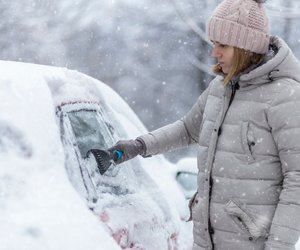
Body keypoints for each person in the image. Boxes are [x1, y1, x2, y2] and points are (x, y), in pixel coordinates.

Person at [108, 0, 300, 249]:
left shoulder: (285, 96)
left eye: (223, 45)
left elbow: (297, 179)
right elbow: (188, 129)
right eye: (213, 44)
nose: (214, 52)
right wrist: (140, 145)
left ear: (245, 47)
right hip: (205, 241)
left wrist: (278, 246)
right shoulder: (219, 89)